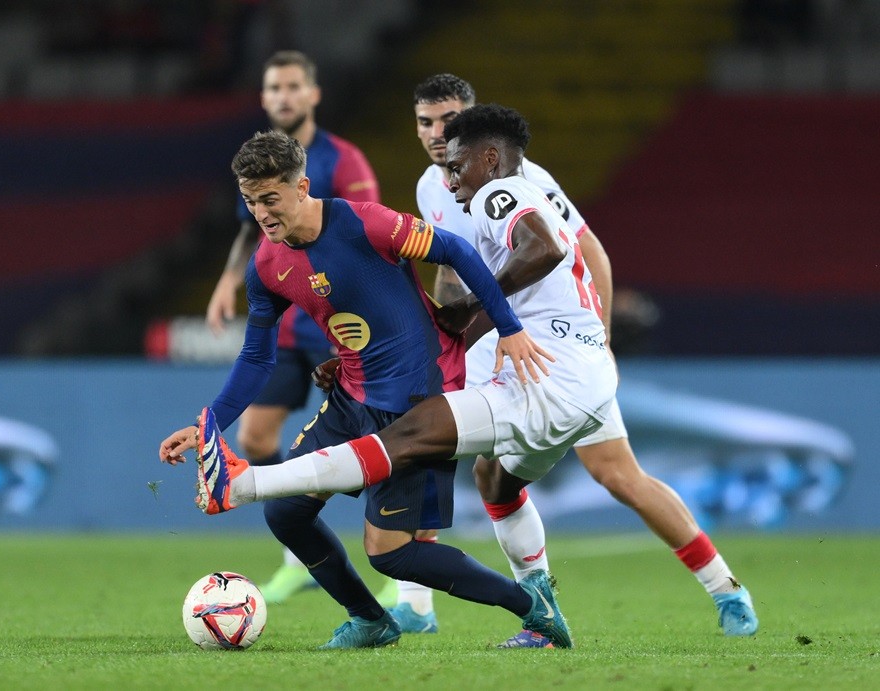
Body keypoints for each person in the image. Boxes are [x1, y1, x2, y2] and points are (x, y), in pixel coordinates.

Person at [161, 106, 622, 650]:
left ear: (301, 187)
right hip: (352, 396)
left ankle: (530, 605)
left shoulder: (364, 223)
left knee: (391, 551)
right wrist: (209, 421)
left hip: (418, 398)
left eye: (270, 199)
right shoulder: (266, 266)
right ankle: (370, 619)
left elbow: (454, 251)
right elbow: (257, 358)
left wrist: (508, 326)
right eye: (251, 201)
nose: (261, 213)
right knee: (287, 514)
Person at [409, 74, 759, 638]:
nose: (435, 133)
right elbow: (452, 266)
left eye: (448, 121)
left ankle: (726, 591)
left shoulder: (520, 179)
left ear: (477, 124)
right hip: (510, 343)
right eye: (425, 122)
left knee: (614, 476)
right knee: (478, 465)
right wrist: (446, 324)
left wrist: (599, 338)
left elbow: (583, 249)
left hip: (557, 351)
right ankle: (422, 602)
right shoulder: (437, 187)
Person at [204, 50, 381, 605]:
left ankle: (403, 578)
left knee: (380, 448)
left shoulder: (344, 162)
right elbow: (247, 233)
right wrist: (227, 282)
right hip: (285, 330)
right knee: (255, 438)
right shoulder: (258, 164)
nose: (282, 96)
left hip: (338, 329)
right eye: (273, 87)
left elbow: (367, 240)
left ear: (312, 94)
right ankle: (298, 558)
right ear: (263, 97)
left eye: (291, 86)